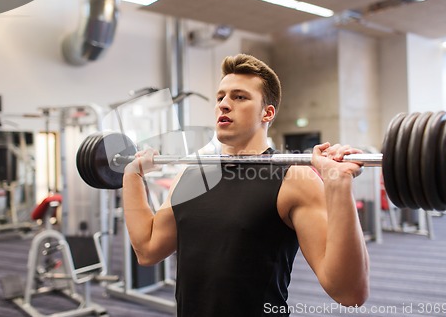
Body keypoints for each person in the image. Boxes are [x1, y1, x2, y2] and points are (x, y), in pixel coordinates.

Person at [122, 54, 369, 316]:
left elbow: (349, 292)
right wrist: (132, 177)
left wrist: (338, 185)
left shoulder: (294, 179)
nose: (224, 105)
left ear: (267, 112)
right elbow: (147, 249)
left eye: (239, 97)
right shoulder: (192, 174)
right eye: (220, 97)